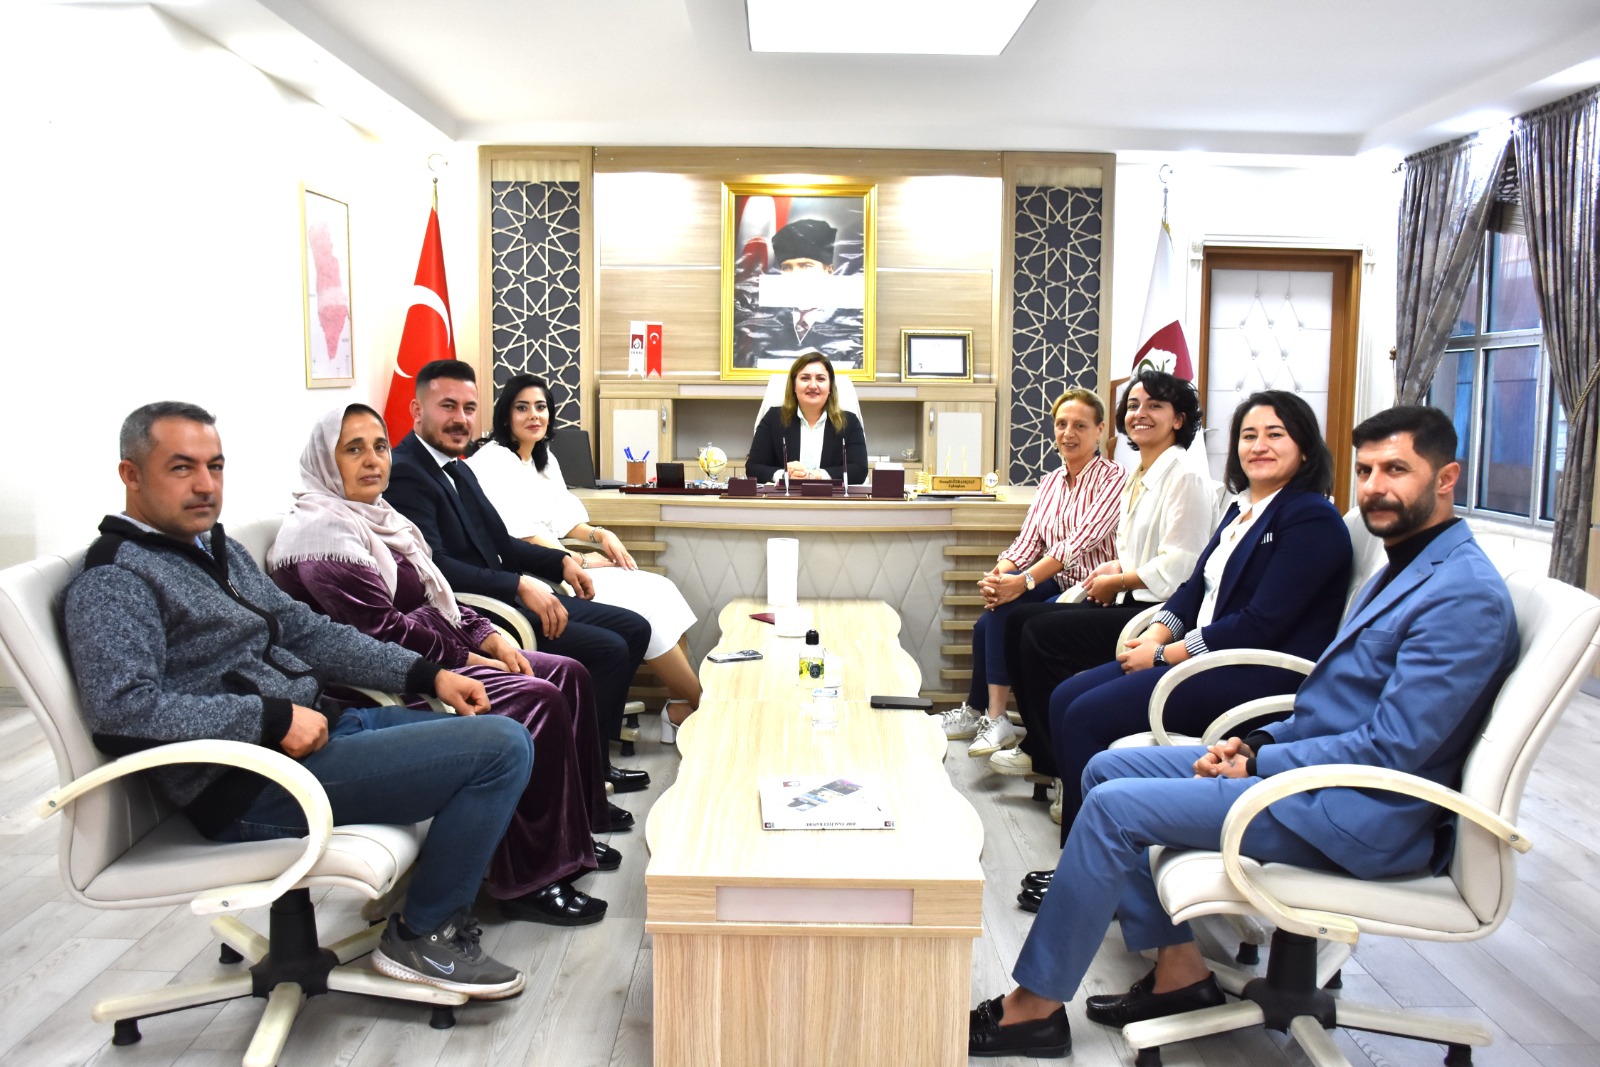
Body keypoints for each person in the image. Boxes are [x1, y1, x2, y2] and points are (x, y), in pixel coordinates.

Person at [967, 406, 1517, 1059]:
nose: (1375, 486)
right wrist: (1256, 742)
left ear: (1447, 478)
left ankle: (1033, 1009)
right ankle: (1179, 970)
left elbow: (1393, 748)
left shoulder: (1461, 595)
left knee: (1113, 809)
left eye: (1396, 469)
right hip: (1311, 771)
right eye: (1367, 470)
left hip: (1357, 811)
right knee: (1104, 769)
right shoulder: (1406, 564)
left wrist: (1261, 759)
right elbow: (1333, 702)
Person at [63, 402, 531, 1000]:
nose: (205, 485)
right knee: (500, 749)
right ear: (130, 475)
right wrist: (270, 718)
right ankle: (425, 934)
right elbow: (122, 712)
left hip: (319, 736)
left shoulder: (212, 549)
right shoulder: (115, 579)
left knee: (500, 726)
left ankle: (428, 911)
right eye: (182, 468)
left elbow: (306, 632)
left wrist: (429, 674)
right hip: (251, 782)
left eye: (215, 466)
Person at [269, 404, 615, 925]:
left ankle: (567, 838)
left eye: (379, 446)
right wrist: (467, 656)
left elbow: (440, 598)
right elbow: (381, 632)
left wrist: (490, 637)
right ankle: (530, 876)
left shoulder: (383, 518)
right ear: (324, 460)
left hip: (432, 655)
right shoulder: (321, 536)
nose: (373, 460)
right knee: (537, 698)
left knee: (568, 672)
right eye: (353, 449)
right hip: (383, 680)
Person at [1017, 390, 1351, 911]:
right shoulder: (1244, 509)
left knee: (1084, 716)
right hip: (1209, 658)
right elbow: (1194, 588)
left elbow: (1261, 623)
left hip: (1251, 673)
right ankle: (1086, 863)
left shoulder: (1309, 518)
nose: (1258, 446)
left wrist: (1168, 656)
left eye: (1275, 434)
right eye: (1248, 435)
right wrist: (1157, 633)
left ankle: (1093, 882)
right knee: (1065, 697)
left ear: (1305, 447)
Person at [383, 360, 652, 804]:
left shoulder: (457, 467)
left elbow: (497, 540)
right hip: (477, 611)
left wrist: (560, 562)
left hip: (508, 593)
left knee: (635, 628)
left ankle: (594, 765)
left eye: (469, 408)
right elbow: (435, 566)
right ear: (417, 410)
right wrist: (519, 585)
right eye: (448, 406)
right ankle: (588, 787)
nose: (461, 419)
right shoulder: (408, 471)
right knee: (608, 649)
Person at [993, 369, 1213, 780]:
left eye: (1154, 405)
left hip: (1159, 614)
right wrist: (1116, 569)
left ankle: (1056, 762)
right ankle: (1043, 750)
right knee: (1017, 620)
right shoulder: (1142, 472)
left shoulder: (1185, 475)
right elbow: (1135, 551)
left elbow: (1183, 567)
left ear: (1179, 419)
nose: (1140, 413)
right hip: (1128, 597)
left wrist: (1122, 579)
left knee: (1039, 633)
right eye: (1133, 405)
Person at [467, 375, 703, 741]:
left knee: (661, 589)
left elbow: (566, 519)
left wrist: (601, 536)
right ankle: (704, 706)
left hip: (563, 563)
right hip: (536, 574)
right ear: (505, 415)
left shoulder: (543, 458)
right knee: (647, 607)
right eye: (522, 408)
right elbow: (519, 537)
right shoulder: (493, 461)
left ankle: (680, 706)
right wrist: (579, 560)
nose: (534, 415)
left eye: (541, 407)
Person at [939, 388, 1125, 757]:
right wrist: (999, 576)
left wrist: (1022, 581)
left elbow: (1076, 544)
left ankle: (997, 718)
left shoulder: (1113, 478)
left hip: (1093, 589)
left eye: (1080, 425)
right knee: (990, 618)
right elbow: (1027, 542)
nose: (1068, 433)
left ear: (1100, 429)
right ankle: (978, 713)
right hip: (1056, 581)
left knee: (1007, 616)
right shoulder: (1051, 481)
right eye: (1061, 424)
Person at [735, 217, 865, 370]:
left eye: (806, 266)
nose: (795, 274)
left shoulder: (850, 323)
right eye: (787, 267)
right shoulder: (764, 323)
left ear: (829, 271)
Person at [745, 350, 868, 484]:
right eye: (805, 378)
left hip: (831, 497)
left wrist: (816, 475)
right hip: (784, 496)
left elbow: (859, 470)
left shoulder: (849, 422)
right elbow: (753, 467)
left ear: (830, 387)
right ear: (794, 386)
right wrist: (785, 475)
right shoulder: (773, 419)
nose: (813, 385)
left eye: (820, 379)